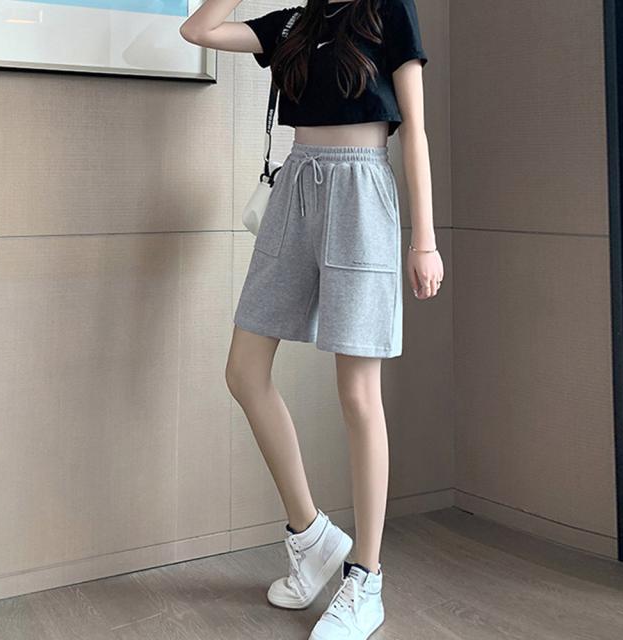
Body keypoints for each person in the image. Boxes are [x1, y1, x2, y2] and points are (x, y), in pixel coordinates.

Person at [180, 1, 442, 638]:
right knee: (244, 372)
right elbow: (198, 29)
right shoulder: (295, 23)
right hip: (295, 187)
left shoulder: (387, 8)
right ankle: (310, 535)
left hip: (362, 191)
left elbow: (415, 128)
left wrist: (425, 240)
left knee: (357, 393)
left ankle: (366, 577)